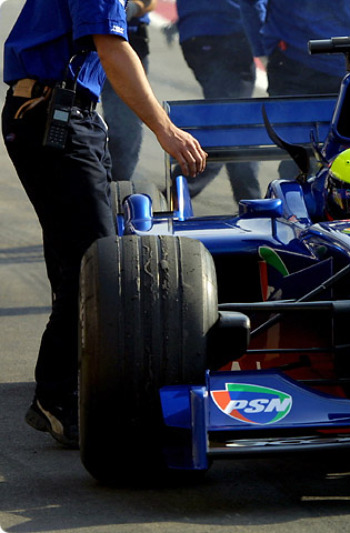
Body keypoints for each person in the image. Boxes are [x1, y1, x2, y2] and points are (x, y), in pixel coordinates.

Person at [3, 0, 207, 448]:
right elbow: (113, 48)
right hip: (53, 115)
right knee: (96, 265)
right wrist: (165, 129)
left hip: (60, 112)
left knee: (80, 260)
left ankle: (63, 392)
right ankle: (58, 396)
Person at [174, 0, 262, 202]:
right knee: (232, 126)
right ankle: (177, 192)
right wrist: (263, 43)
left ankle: (250, 200)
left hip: (193, 33)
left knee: (229, 120)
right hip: (229, 32)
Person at [239, 0, 350, 97]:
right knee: (298, 150)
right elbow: (250, 3)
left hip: (345, 68)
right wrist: (261, 49)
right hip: (290, 68)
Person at [100, 0, 156, 182]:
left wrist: (132, 7)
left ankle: (116, 187)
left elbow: (150, 3)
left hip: (129, 39)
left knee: (126, 127)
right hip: (82, 39)